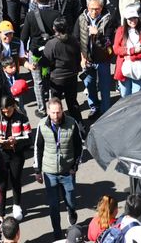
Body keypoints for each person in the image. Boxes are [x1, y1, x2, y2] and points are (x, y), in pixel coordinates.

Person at [30, 98, 82, 239]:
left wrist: (75, 166)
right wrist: (37, 171)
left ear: (62, 110)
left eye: (58, 112)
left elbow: (79, 146)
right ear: (48, 111)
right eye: (53, 113)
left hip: (67, 172)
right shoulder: (42, 125)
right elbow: (38, 148)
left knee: (70, 202)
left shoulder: (72, 123)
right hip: (50, 172)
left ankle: (72, 216)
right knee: (53, 206)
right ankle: (57, 234)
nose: (56, 116)